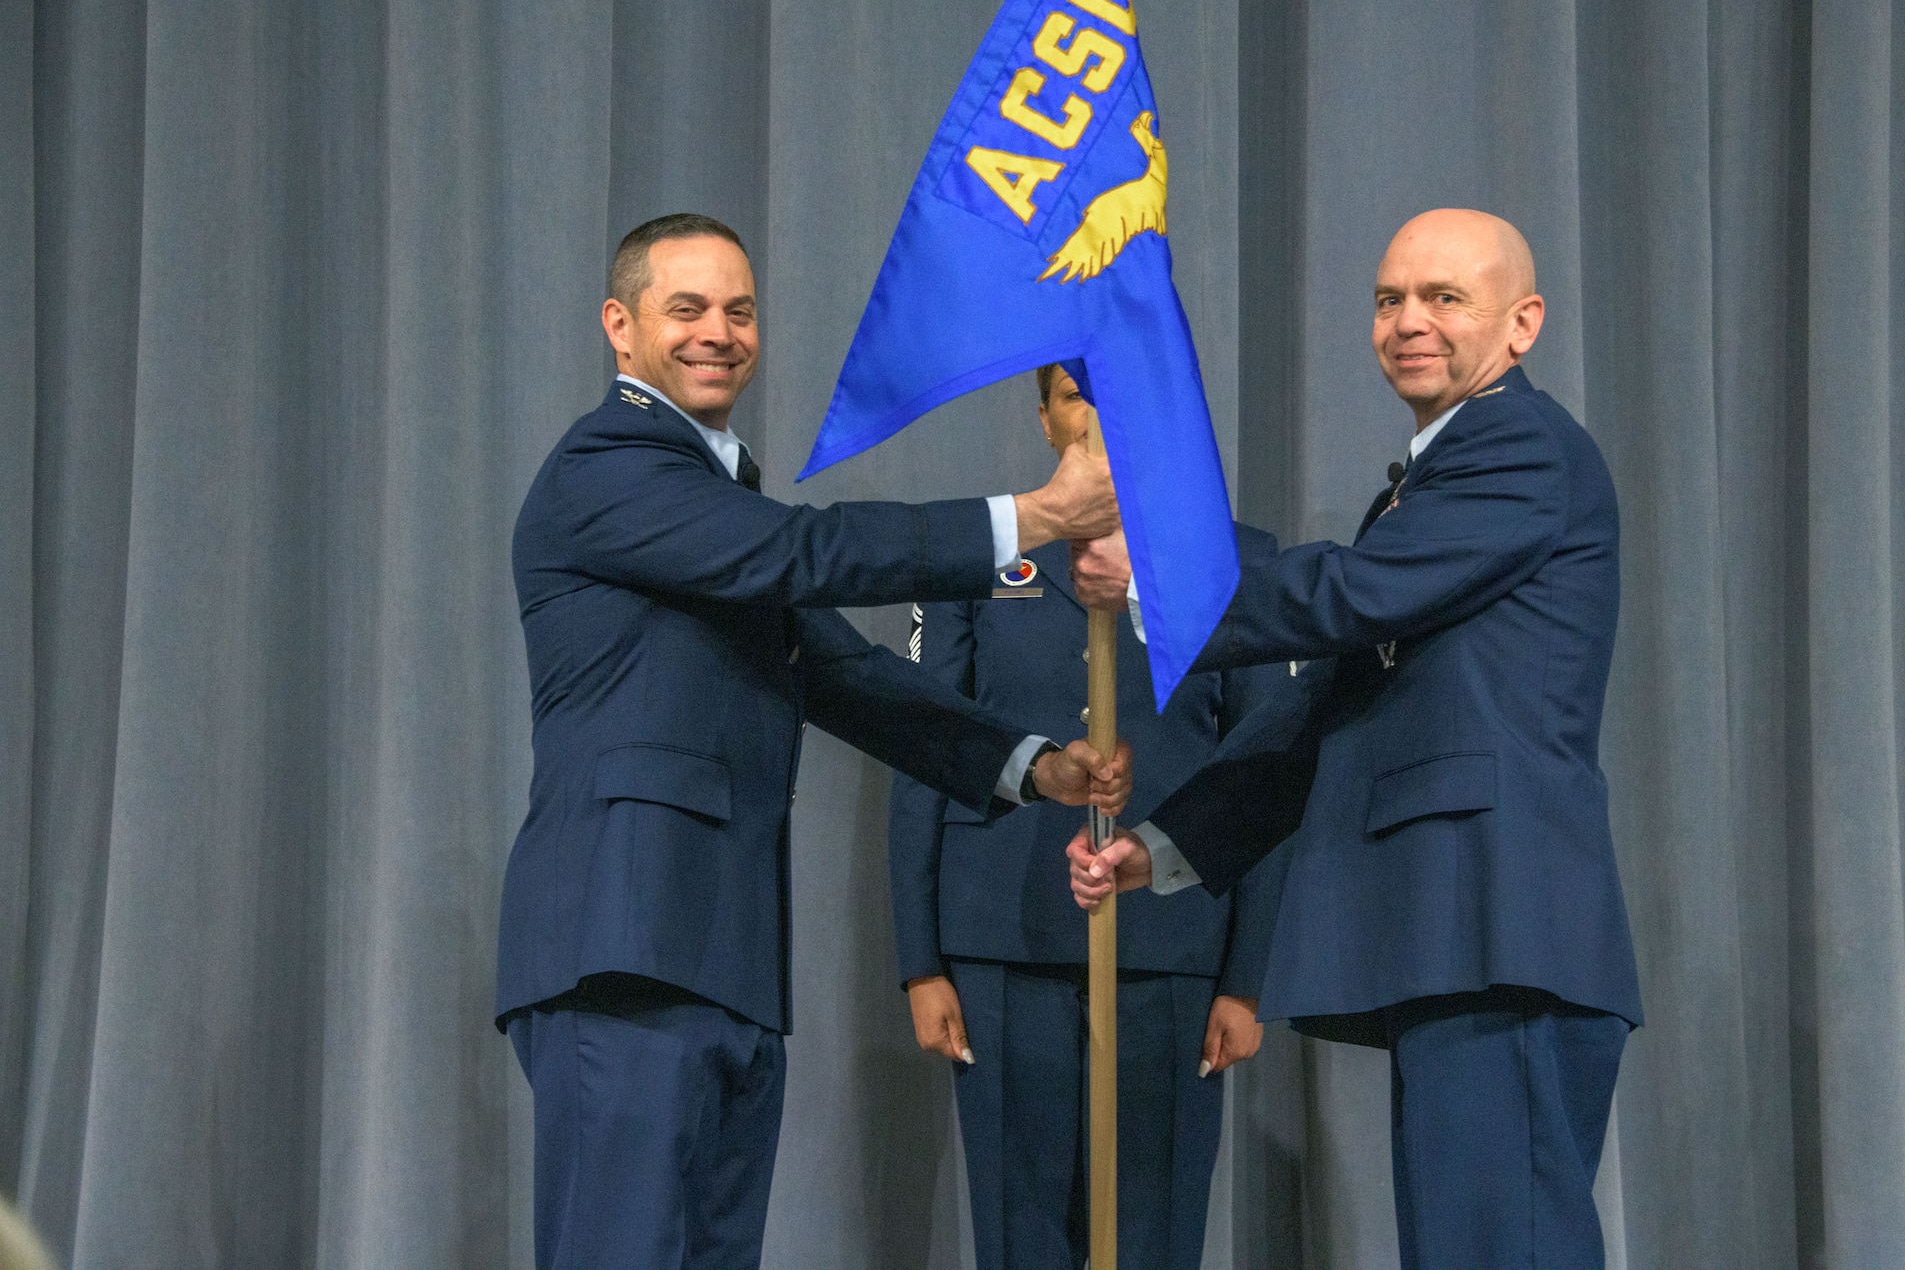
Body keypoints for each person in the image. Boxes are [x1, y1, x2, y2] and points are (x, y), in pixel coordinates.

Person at [500, 213, 1134, 1270]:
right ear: (620, 327)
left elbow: (844, 675)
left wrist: (1029, 764)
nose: (718, 332)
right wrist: (1028, 520)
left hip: (721, 962)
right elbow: (806, 551)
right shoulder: (607, 468)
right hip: (622, 949)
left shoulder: (712, 504)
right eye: (686, 308)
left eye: (738, 310)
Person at [1068, 209, 1642, 1269]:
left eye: (1442, 298)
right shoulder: (1431, 476)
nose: (1407, 321)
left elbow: (1351, 595)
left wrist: (1158, 582)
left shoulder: (1515, 445)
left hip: (1497, 923)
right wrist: (1172, 843)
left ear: (1521, 325)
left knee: (1496, 1248)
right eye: (1388, 299)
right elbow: (1329, 706)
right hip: (1461, 939)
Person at [888, 365, 1294, 1270]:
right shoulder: (973, 557)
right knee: (1016, 1237)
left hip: (1174, 952)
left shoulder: (1240, 562)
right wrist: (921, 962)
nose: (1099, 415)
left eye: (1123, 391)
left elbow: (1265, 775)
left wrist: (1247, 979)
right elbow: (923, 750)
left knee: (1153, 1237)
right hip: (1001, 941)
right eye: (1076, 394)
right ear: (1043, 417)